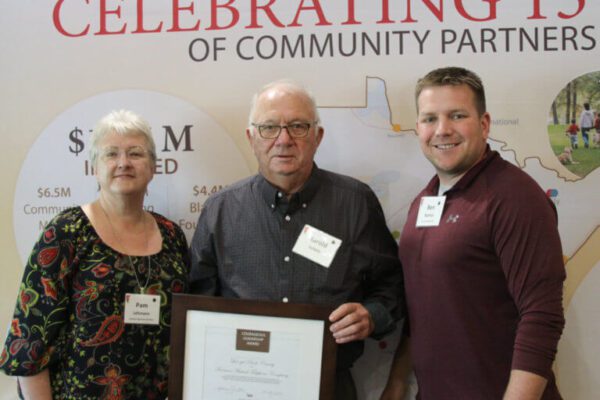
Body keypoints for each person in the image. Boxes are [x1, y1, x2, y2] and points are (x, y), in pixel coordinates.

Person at [189, 79, 404, 400]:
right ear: (251, 138)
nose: (284, 139)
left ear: (318, 136)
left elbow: (393, 286)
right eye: (269, 127)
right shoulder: (220, 211)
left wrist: (371, 316)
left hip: (330, 387)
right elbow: (199, 308)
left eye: (298, 127)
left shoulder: (356, 202)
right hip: (240, 387)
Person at [381, 67, 565, 400]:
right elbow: (422, 305)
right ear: (418, 128)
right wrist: (396, 384)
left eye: (457, 115)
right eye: (429, 119)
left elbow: (542, 315)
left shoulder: (515, 197)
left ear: (484, 124)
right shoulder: (425, 200)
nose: (442, 130)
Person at [0, 110, 189, 399]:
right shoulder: (66, 233)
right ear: (94, 168)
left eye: (135, 154)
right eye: (111, 154)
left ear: (153, 167)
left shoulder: (172, 236)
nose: (123, 163)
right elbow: (29, 341)